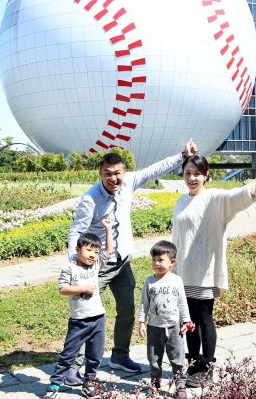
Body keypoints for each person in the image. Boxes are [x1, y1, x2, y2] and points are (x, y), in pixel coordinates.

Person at [67, 140, 197, 375]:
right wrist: (75, 260)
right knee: (85, 313)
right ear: (100, 174)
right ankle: (72, 366)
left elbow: (155, 169)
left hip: (122, 262)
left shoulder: (129, 183)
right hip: (98, 265)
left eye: (117, 173)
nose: (113, 179)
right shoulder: (90, 199)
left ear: (124, 172)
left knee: (126, 310)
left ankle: (119, 356)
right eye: (108, 174)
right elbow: (76, 230)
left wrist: (182, 155)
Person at [171, 155, 256, 388]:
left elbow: (235, 197)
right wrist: (172, 265)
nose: (192, 178)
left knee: (204, 318)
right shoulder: (180, 201)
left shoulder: (214, 198)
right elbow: (177, 236)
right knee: (188, 319)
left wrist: (255, 187)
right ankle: (193, 363)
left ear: (206, 175)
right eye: (188, 173)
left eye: (197, 174)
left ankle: (207, 367)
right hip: (183, 271)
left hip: (205, 271)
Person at [44, 220, 113, 399]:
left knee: (95, 355)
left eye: (96, 252)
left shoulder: (96, 266)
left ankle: (88, 383)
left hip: (98, 318)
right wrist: (83, 289)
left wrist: (108, 229)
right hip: (79, 320)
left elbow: (109, 250)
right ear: (77, 250)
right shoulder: (69, 268)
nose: (93, 255)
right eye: (88, 250)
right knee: (68, 354)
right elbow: (62, 289)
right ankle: (54, 385)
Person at [138, 240, 194, 399]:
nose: (156, 263)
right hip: (154, 327)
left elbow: (183, 303)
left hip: (174, 327)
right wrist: (142, 322)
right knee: (154, 359)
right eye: (153, 259)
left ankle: (180, 385)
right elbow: (144, 303)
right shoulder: (149, 281)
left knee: (178, 358)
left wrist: (186, 321)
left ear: (172, 262)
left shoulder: (177, 281)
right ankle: (155, 383)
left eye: (160, 260)